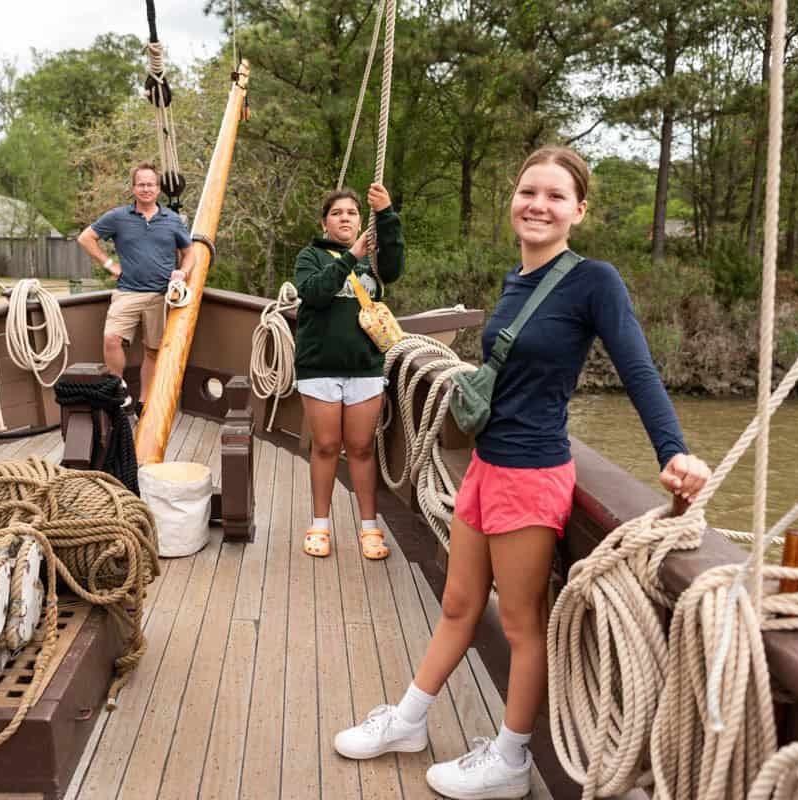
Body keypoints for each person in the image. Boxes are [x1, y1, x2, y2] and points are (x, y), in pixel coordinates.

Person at [331, 146, 711, 799]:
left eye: (556, 196)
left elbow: (638, 366)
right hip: (486, 467)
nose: (538, 204)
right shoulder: (516, 281)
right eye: (529, 191)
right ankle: (409, 720)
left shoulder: (594, 281)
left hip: (532, 475)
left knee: (520, 623)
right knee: (457, 605)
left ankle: (509, 761)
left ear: (579, 211)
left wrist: (671, 451)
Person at [294, 182, 404, 560]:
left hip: (363, 367)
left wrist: (386, 213)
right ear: (325, 221)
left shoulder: (371, 260)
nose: (345, 218)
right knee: (325, 446)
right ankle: (320, 525)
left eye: (352, 213)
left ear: (361, 221)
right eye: (337, 213)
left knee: (360, 448)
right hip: (320, 368)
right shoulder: (311, 256)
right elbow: (315, 293)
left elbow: (394, 265)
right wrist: (349, 256)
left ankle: (369, 527)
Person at [77, 161, 195, 415]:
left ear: (158, 188)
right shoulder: (118, 217)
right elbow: (85, 238)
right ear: (133, 188)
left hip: (161, 295)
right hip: (127, 291)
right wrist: (110, 264)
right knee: (111, 339)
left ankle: (143, 404)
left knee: (152, 351)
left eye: (150, 184)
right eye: (140, 184)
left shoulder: (172, 220)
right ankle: (117, 389)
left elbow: (190, 253)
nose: (146, 189)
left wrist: (182, 273)